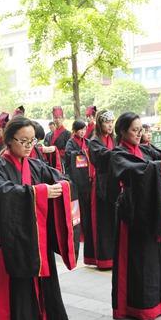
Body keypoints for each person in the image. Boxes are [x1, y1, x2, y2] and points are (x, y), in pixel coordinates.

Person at [0, 115, 78, 320]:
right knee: (20, 295)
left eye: (32, 141)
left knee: (46, 291)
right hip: (14, 244)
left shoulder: (36, 165)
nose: (28, 146)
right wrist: (39, 193)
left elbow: (63, 179)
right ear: (9, 140)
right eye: (22, 141)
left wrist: (61, 187)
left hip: (40, 241)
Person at [111, 112, 161, 320]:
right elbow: (138, 171)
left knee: (154, 257)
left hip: (151, 211)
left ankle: (157, 303)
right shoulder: (118, 154)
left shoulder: (144, 149)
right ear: (123, 131)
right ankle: (135, 307)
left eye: (140, 129)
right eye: (134, 130)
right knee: (137, 259)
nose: (139, 134)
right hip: (132, 213)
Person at [86, 109, 118, 269]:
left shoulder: (114, 139)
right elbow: (105, 157)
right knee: (103, 222)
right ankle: (104, 259)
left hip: (115, 184)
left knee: (114, 221)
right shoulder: (94, 142)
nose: (110, 125)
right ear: (100, 123)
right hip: (101, 185)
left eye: (112, 122)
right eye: (107, 122)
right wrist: (120, 154)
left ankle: (116, 256)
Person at [65, 120, 91, 250]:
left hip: (86, 177)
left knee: (87, 205)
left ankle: (87, 230)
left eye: (84, 129)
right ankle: (78, 232)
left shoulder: (88, 142)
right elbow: (69, 156)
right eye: (80, 129)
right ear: (74, 131)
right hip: (75, 178)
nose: (82, 132)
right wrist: (82, 153)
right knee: (77, 205)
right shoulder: (70, 142)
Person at [45, 107, 70, 172]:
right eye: (56, 118)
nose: (58, 120)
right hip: (51, 162)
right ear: (53, 119)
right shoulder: (50, 134)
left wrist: (56, 151)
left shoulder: (67, 134)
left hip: (62, 163)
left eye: (60, 118)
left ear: (63, 119)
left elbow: (68, 151)